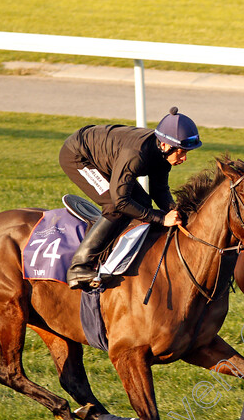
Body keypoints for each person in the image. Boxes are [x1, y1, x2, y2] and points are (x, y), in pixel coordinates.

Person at [59, 107, 202, 289]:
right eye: (181, 151)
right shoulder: (136, 155)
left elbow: (159, 190)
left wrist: (175, 211)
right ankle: (79, 266)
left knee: (142, 203)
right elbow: (121, 201)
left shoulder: (162, 154)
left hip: (109, 159)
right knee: (114, 206)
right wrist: (161, 218)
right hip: (78, 156)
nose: (184, 158)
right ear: (165, 145)